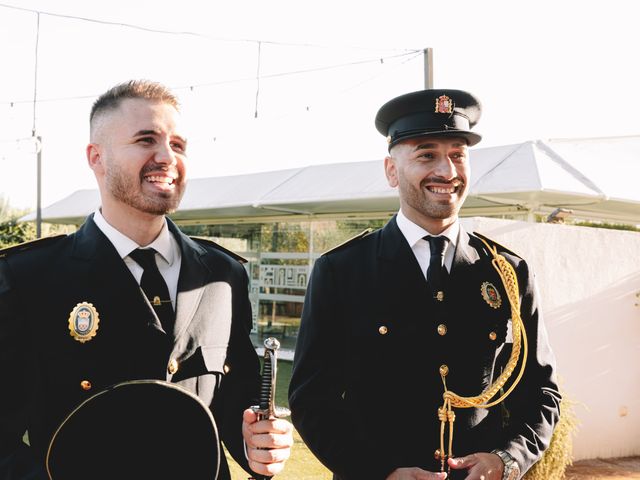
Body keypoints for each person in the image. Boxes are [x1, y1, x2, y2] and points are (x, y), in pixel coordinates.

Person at [0, 80, 292, 479]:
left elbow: (232, 401)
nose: (167, 157)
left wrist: (256, 445)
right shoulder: (29, 278)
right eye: (146, 140)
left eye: (178, 144)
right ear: (96, 157)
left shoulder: (222, 275)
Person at [289, 89, 561, 480]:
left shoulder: (507, 273)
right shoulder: (342, 271)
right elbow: (311, 400)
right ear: (391, 170)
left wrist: (508, 459)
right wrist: (379, 471)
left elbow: (542, 392)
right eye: (426, 154)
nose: (447, 172)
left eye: (458, 155)